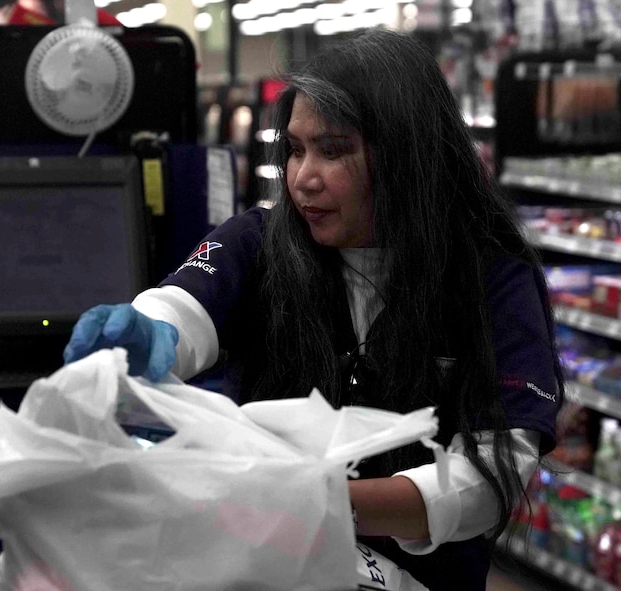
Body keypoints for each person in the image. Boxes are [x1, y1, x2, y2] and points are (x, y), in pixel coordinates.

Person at [63, 27, 563, 591]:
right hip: (266, 567)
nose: (303, 178)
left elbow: (496, 469)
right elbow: (181, 308)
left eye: (334, 150)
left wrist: (327, 505)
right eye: (296, 149)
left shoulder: (491, 278)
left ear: (408, 156)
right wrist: (145, 336)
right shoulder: (261, 241)